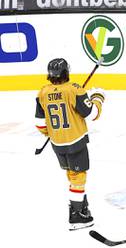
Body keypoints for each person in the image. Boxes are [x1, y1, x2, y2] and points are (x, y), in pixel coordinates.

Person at [34, 58, 105, 230]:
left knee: (72, 176)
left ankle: (81, 205)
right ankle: (77, 214)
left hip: (57, 144)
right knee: (78, 178)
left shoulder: (42, 93)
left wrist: (52, 133)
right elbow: (91, 113)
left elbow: (40, 123)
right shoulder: (74, 90)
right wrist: (98, 98)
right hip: (75, 142)